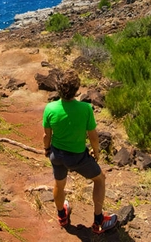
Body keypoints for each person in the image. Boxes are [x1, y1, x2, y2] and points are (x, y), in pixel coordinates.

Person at [42, 70, 118, 233]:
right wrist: (96, 152)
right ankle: (99, 222)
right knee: (99, 179)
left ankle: (62, 216)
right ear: (76, 90)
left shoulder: (50, 108)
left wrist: (47, 149)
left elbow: (46, 135)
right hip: (77, 157)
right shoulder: (85, 109)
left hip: (56, 154)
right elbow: (93, 137)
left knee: (59, 184)